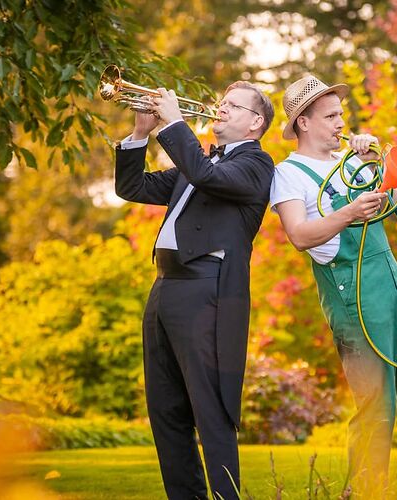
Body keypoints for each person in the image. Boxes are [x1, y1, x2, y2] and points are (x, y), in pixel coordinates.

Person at [270, 75, 397, 497]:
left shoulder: (351, 160)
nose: (340, 122)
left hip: (396, 290)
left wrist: (379, 165)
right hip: (352, 298)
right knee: (377, 409)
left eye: (341, 115)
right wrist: (348, 212)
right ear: (304, 123)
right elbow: (299, 235)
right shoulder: (287, 174)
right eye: (330, 116)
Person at [114, 81, 275, 499]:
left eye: (233, 106)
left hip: (206, 291)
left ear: (255, 122)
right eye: (222, 103)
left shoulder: (257, 164)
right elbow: (131, 188)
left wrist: (174, 123)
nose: (221, 109)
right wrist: (140, 134)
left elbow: (208, 177)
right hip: (165, 288)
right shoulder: (199, 161)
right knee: (165, 410)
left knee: (210, 407)